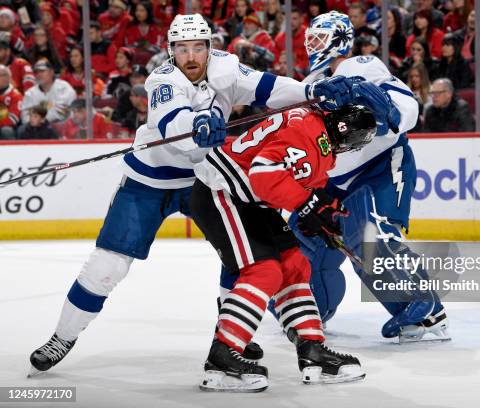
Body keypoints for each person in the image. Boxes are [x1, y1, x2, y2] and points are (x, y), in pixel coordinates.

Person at [28, 12, 357, 376]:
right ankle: (62, 336)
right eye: (182, 48)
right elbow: (172, 119)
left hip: (207, 179)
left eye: (197, 47)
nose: (190, 56)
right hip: (149, 182)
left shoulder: (227, 68)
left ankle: (232, 336)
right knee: (107, 265)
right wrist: (196, 123)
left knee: (244, 257)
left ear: (209, 48)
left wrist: (310, 91)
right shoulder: (162, 79)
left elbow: (269, 89)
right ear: (171, 51)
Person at [221, 11, 448, 343]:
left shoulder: (361, 66)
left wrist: (389, 112)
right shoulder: (313, 81)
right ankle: (311, 310)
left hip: (378, 168)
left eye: (320, 37)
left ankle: (426, 311)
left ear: (340, 39)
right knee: (300, 249)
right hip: (331, 180)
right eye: (310, 38)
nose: (313, 44)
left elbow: (404, 106)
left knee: (371, 237)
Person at [191, 105, 374, 391]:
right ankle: (222, 357)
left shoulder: (313, 125)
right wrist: (306, 204)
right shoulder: (311, 135)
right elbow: (263, 174)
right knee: (264, 272)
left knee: (294, 267)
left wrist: (319, 212)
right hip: (223, 192)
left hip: (250, 198)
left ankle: (312, 350)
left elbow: (300, 183)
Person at [21, 59, 76, 124]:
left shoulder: (64, 87)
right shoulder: (30, 93)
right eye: (36, 72)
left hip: (62, 126)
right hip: (36, 127)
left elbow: (61, 112)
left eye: (42, 71)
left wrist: (41, 120)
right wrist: (33, 122)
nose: (39, 75)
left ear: (51, 72)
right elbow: (24, 115)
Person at [274, 8, 308, 73]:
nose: (291, 22)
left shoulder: (309, 36)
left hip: (303, 72)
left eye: (294, 19)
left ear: (301, 19)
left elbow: (308, 61)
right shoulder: (279, 39)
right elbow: (275, 61)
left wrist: (294, 69)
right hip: (283, 73)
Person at [0, 64, 22, 139]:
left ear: (8, 77)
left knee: (6, 130)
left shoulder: (16, 95)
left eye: (1, 75)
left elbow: (13, 118)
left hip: (8, 127)